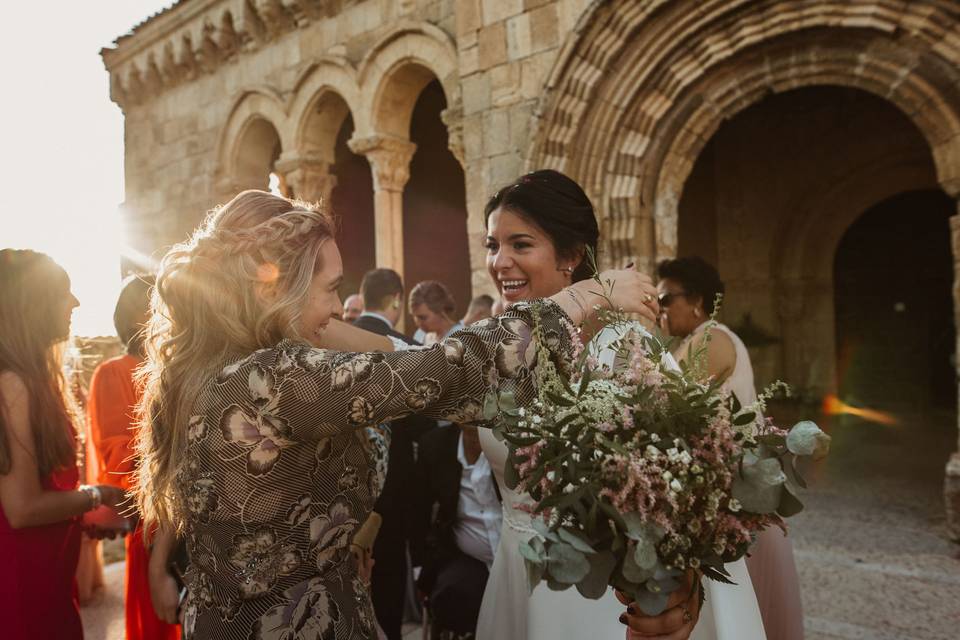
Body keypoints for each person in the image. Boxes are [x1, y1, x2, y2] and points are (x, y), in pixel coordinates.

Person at [133, 190, 657, 640]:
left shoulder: (215, 368)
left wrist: (302, 316)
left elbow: (391, 363)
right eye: (332, 287)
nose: (340, 306)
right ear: (275, 286)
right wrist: (586, 295)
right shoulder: (276, 379)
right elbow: (444, 371)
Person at [476, 171, 764, 640]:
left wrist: (677, 586)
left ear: (572, 255)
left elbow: (684, 491)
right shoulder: (499, 348)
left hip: (596, 602)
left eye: (520, 245)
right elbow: (403, 365)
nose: (499, 261)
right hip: (515, 576)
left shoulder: (624, 351)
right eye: (492, 245)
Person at [657, 256, 804, 640]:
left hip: (733, 504)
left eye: (665, 299)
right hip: (720, 497)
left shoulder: (712, 339)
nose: (660, 309)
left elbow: (658, 402)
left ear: (697, 301)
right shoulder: (696, 339)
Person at [0, 249, 126, 640]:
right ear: (32, 305)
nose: (75, 302)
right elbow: (21, 509)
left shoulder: (33, 381)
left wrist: (79, 516)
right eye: (63, 292)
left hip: (48, 578)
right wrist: (98, 495)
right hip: (20, 590)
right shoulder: (12, 385)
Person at [88, 274, 181, 640]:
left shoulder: (176, 369)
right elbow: (118, 455)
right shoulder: (111, 374)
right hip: (152, 518)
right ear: (137, 318)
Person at [354, 268, 432, 640]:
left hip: (343, 493)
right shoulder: (407, 349)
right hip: (392, 495)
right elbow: (425, 423)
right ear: (397, 300)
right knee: (386, 591)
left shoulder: (336, 341)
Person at [412, 423, 501, 639]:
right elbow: (418, 511)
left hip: (517, 555)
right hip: (469, 558)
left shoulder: (513, 441)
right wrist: (420, 569)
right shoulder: (436, 445)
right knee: (451, 596)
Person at [409, 281, 463, 347]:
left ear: (440, 311)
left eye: (423, 318)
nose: (418, 323)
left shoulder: (461, 337)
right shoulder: (420, 335)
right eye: (415, 317)